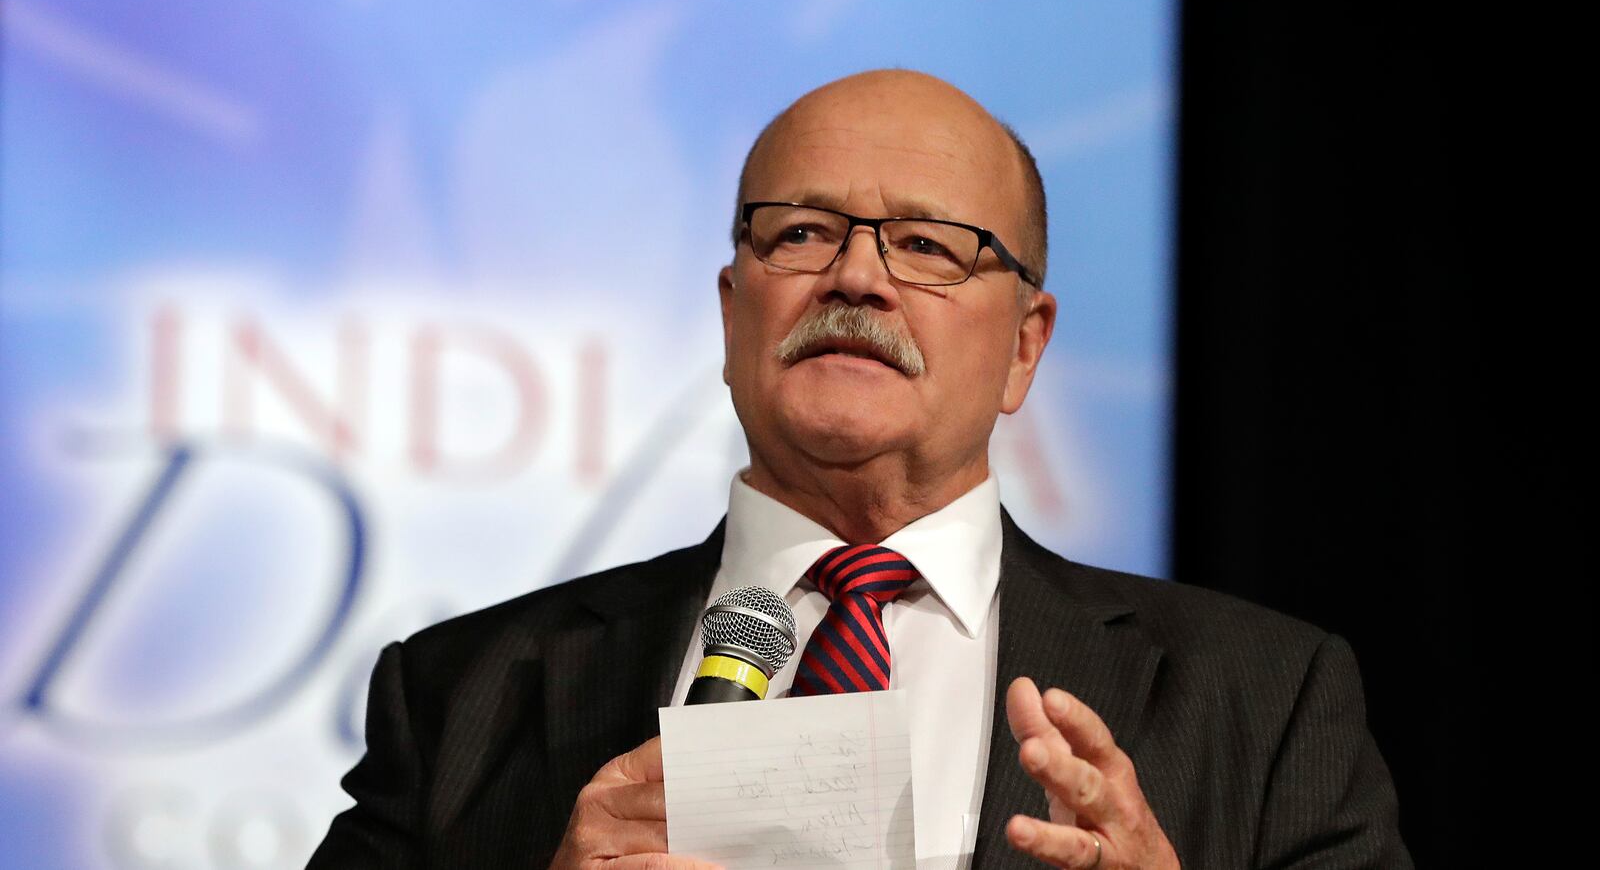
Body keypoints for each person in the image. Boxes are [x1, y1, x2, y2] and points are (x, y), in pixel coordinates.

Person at [307, 70, 1409, 869]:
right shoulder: (462, 694)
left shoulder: (1266, 700)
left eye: (928, 246)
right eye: (799, 233)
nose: (857, 278)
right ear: (731, 313)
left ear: (1024, 347)